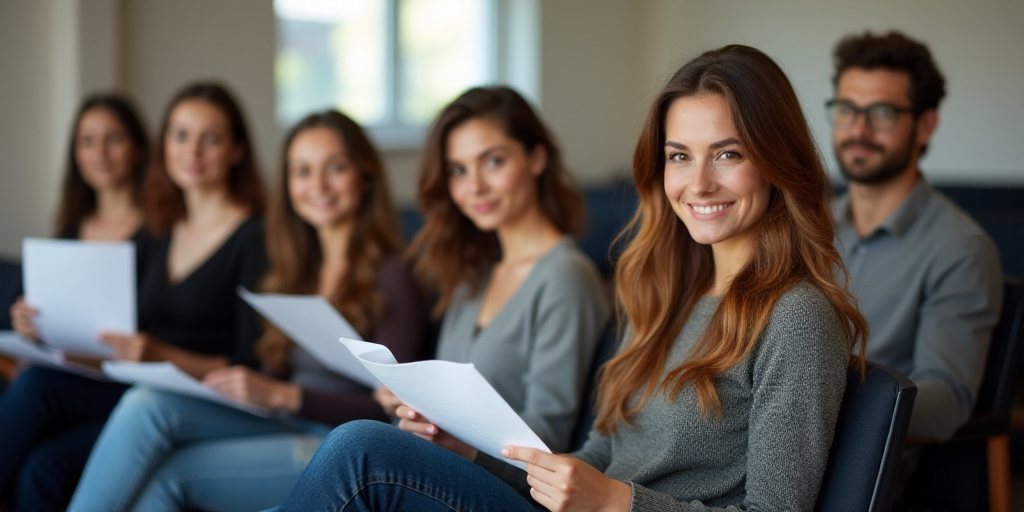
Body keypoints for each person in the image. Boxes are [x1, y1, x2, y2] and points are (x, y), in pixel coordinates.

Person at [272, 45, 866, 512]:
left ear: (778, 160)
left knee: (360, 450)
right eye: (680, 155)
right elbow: (594, 457)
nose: (698, 183)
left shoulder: (797, 315)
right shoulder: (665, 297)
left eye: (729, 154)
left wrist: (616, 502)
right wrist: (469, 457)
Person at [67, 109, 427, 512]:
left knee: (174, 477)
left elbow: (396, 412)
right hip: (283, 422)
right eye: (302, 171)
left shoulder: (392, 274)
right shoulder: (295, 267)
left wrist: (284, 394)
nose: (318, 185)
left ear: (364, 177)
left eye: (336, 168)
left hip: (343, 443)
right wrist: (256, 386)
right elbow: (275, 376)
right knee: (146, 403)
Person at [0, 81, 266, 512]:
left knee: (38, 400)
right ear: (164, 145)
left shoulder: (254, 237)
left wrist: (158, 353)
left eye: (211, 139)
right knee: (41, 457)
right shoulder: (162, 229)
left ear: (237, 151)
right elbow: (120, 339)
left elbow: (247, 366)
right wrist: (43, 334)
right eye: (181, 135)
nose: (192, 151)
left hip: (196, 399)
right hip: (136, 384)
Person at [370, 86, 612, 455]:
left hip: (502, 493)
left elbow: (548, 438)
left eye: (493, 161)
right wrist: (414, 406)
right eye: (458, 171)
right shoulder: (474, 272)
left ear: (536, 158)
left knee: (354, 443)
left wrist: (456, 443)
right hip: (443, 470)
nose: (475, 187)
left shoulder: (567, 277)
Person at [828, 31, 1002, 441]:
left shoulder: (962, 249)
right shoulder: (808, 229)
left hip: (866, 471)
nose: (859, 129)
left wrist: (817, 400)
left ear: (925, 125)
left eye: (883, 112)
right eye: (846, 108)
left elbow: (946, 402)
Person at [4, 93, 150, 373]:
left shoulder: (160, 232)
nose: (100, 153)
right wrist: (28, 324)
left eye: (114, 139)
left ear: (138, 148)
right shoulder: (69, 231)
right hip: (66, 367)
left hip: (121, 374)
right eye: (87, 142)